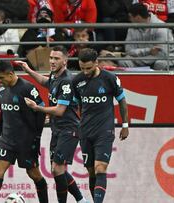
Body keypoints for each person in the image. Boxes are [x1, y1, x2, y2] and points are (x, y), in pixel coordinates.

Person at [17, 46, 89, 203]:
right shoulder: (55, 76)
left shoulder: (67, 81)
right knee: (57, 170)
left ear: (65, 60)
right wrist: (28, 70)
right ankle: (81, 200)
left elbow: (60, 110)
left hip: (69, 129)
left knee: (57, 169)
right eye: (51, 58)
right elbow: (46, 82)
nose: (52, 61)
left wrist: (38, 108)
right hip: (57, 129)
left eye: (56, 59)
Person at [0, 60, 48, 203]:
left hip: (26, 141)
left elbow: (41, 112)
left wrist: (36, 138)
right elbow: (3, 116)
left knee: (35, 175)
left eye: (1, 78)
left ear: (11, 74)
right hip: (7, 140)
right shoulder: (1, 91)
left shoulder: (27, 88)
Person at [72, 48, 129, 203]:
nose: (85, 71)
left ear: (97, 63)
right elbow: (78, 105)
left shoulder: (110, 78)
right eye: (82, 68)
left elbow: (122, 101)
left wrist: (125, 125)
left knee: (100, 168)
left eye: (88, 68)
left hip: (104, 130)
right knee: (91, 172)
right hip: (85, 131)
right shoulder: (77, 81)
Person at [118, 3, 174, 70]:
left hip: (162, 59)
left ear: (138, 17)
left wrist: (137, 60)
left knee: (160, 64)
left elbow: (162, 54)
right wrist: (148, 50)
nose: (129, 19)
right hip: (142, 59)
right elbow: (128, 50)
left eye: (130, 16)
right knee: (123, 62)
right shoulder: (131, 28)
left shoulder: (161, 28)